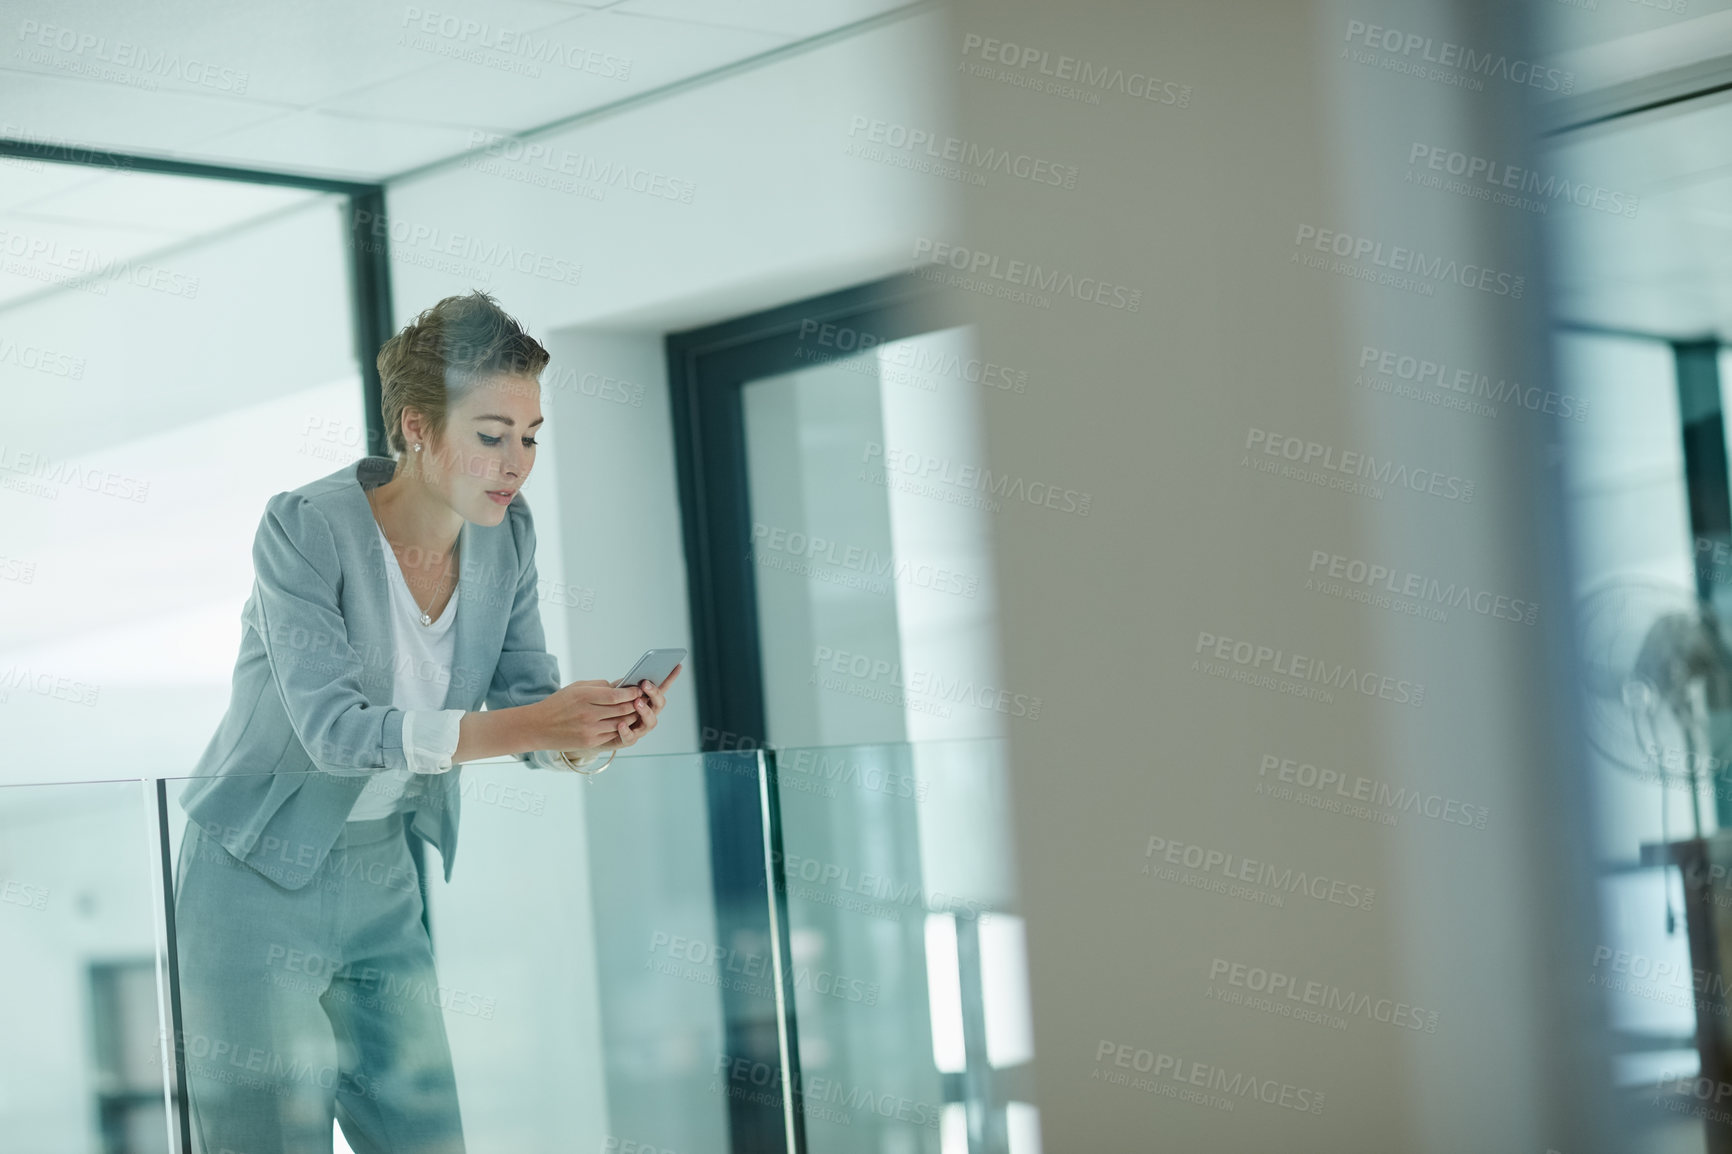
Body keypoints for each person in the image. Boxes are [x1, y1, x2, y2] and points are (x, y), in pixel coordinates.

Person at [171, 290, 679, 1152]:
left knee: (425, 1137)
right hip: (254, 868)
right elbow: (337, 733)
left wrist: (586, 733)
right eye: (490, 435)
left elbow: (524, 702)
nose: (515, 462)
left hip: (384, 872)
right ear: (415, 427)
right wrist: (533, 728)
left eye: (529, 436)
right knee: (266, 1138)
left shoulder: (507, 537)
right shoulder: (306, 529)